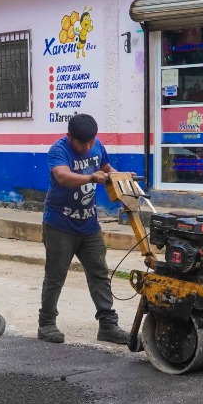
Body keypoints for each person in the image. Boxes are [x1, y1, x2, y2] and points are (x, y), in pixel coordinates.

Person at [38, 113, 130, 346]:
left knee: (99, 272)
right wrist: (90, 176)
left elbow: (107, 167)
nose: (88, 147)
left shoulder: (96, 145)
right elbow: (62, 176)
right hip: (60, 224)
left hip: (89, 224)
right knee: (55, 275)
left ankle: (108, 325)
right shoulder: (58, 150)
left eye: (91, 142)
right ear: (70, 137)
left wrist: (119, 179)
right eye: (82, 143)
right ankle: (46, 324)